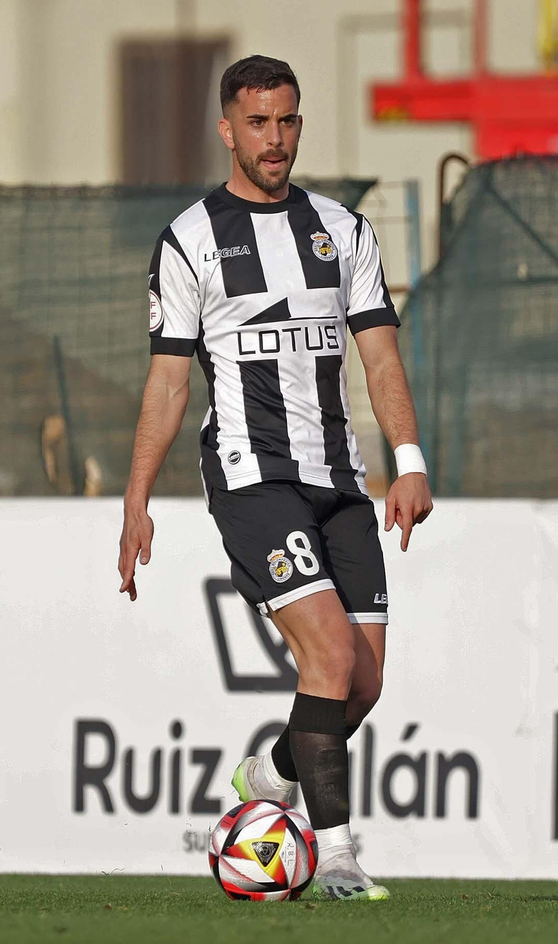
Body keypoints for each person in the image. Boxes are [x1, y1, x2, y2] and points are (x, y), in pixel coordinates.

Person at [117, 54, 433, 902]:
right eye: (258, 123)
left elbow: (380, 358)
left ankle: (271, 773)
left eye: (287, 121)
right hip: (251, 479)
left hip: (339, 478)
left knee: (359, 686)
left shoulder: (344, 230)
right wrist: (136, 498)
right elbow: (170, 380)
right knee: (327, 655)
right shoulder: (190, 240)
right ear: (228, 129)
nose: (275, 139)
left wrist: (408, 463)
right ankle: (335, 859)